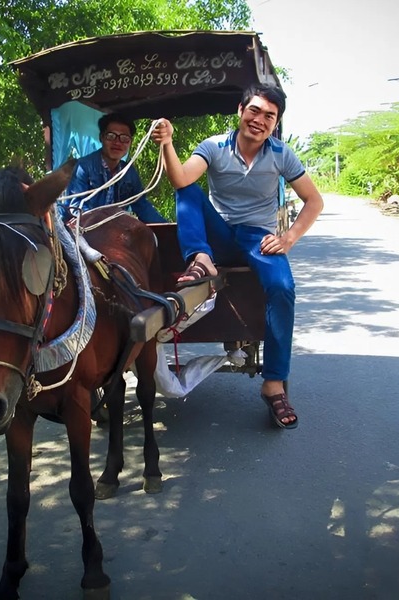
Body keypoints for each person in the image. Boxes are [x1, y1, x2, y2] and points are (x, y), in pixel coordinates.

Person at [150, 83, 324, 430]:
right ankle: (201, 258)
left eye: (269, 116)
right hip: (219, 233)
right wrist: (168, 144)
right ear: (240, 111)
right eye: (254, 111)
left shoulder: (281, 154)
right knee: (187, 192)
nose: (260, 120)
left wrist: (288, 238)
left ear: (275, 124)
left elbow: (314, 201)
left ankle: (273, 383)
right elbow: (181, 178)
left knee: (282, 287)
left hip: (257, 237)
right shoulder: (214, 146)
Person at [60, 112, 167, 223]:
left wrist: (169, 228)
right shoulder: (83, 167)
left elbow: (142, 206)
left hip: (114, 232)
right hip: (80, 232)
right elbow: (75, 207)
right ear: (101, 137)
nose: (117, 142)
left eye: (124, 138)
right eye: (111, 136)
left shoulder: (129, 172)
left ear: (130, 142)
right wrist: (105, 223)